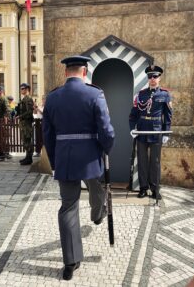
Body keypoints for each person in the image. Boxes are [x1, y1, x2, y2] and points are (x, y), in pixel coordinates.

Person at [43, 55, 115, 281]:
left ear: (66, 72)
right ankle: (97, 213)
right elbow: (106, 129)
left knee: (68, 207)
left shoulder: (52, 97)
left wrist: (56, 161)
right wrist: (107, 148)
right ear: (85, 71)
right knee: (97, 185)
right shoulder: (95, 94)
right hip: (91, 157)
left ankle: (70, 262)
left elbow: (47, 134)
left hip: (64, 158)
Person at [129, 65, 172, 200]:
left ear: (159, 78)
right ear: (147, 78)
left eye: (155, 76)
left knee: (155, 162)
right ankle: (143, 188)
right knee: (141, 161)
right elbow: (133, 114)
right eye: (150, 77)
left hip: (156, 131)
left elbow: (168, 115)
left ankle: (155, 189)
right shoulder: (141, 94)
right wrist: (132, 128)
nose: (152, 79)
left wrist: (166, 133)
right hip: (142, 131)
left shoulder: (164, 94)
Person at [16, 83, 34, 165]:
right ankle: (27, 157)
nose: (21, 90)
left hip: (26, 123)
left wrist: (20, 116)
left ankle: (29, 158)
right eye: (20, 88)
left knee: (27, 140)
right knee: (25, 140)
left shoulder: (28, 99)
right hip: (24, 123)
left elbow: (29, 112)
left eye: (23, 88)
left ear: (27, 89)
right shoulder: (24, 99)